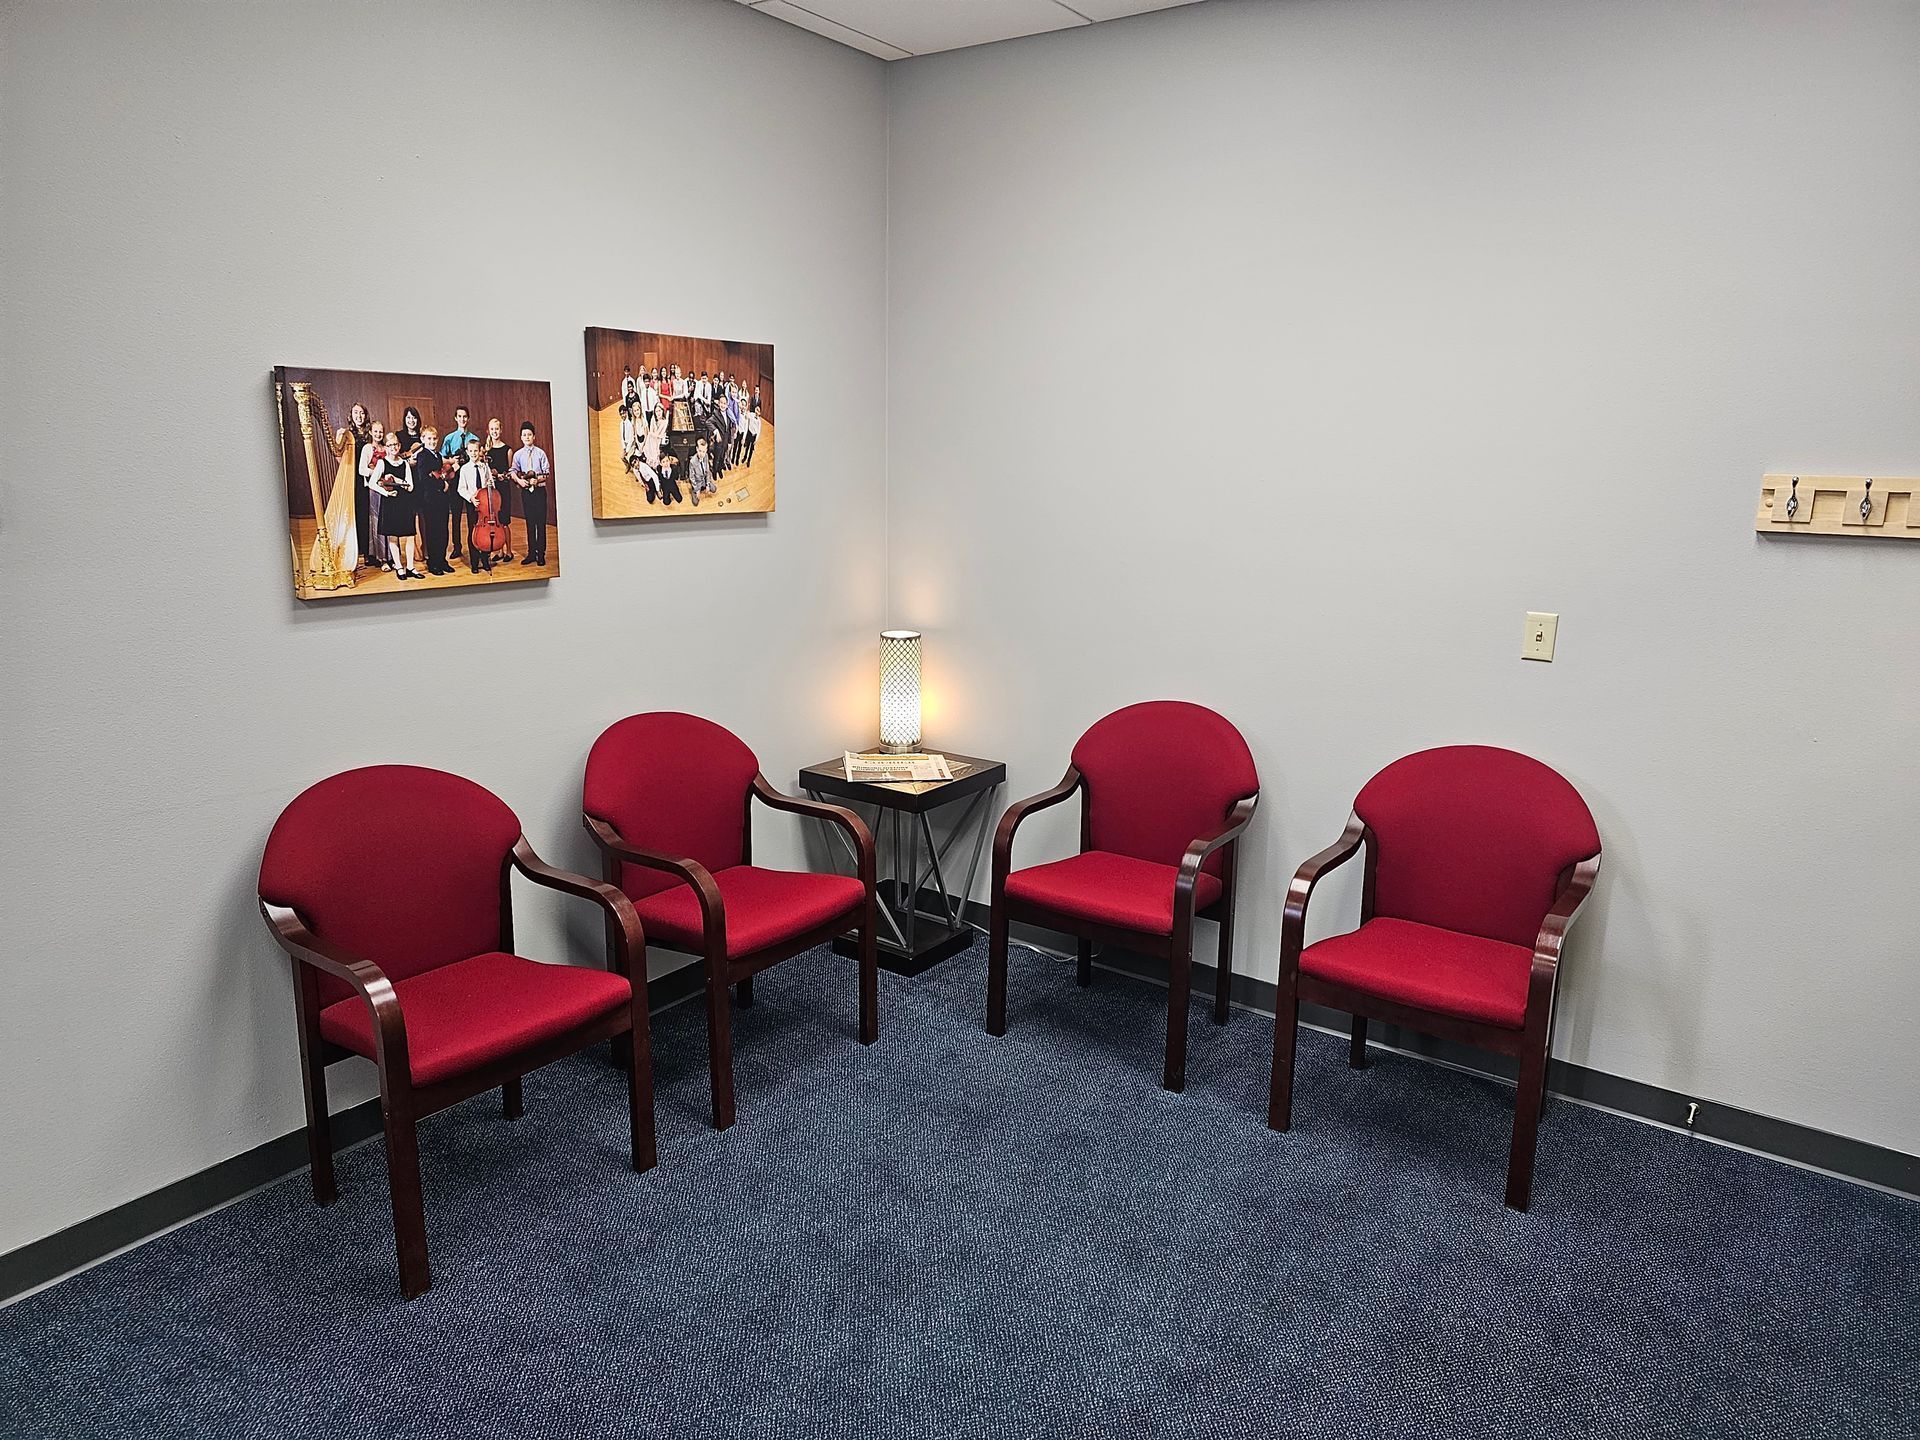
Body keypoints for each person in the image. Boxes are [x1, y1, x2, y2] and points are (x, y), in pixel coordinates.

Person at [368, 432, 421, 579]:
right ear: (386, 447)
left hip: (405, 502)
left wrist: (398, 481)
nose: (394, 447)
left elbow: (410, 486)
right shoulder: (382, 463)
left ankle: (410, 567)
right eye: (390, 445)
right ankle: (399, 567)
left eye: (396, 444)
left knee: (410, 536)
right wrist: (385, 493)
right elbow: (372, 483)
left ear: (399, 445)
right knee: (393, 537)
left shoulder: (404, 463)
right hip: (390, 502)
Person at [456, 434, 501, 573]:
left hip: (486, 505)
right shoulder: (464, 469)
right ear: (467, 452)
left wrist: (490, 483)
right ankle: (474, 563)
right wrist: (471, 498)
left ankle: (485, 560)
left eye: (476, 450)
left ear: (479, 451)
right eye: (471, 451)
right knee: (474, 532)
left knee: (486, 532)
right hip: (473, 504)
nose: (474, 453)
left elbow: (492, 485)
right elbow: (461, 488)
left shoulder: (484, 467)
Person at [439, 405, 478, 563]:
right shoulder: (449, 438)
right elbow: (442, 458)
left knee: (472, 515)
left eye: (465, 416)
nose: (462, 419)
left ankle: (474, 545)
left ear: (468, 418)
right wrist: (452, 461)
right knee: (455, 515)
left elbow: (478, 457)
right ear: (455, 418)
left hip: (470, 480)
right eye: (459, 416)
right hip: (455, 479)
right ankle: (457, 546)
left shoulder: (474, 438)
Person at [412, 425, 453, 575]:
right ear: (423, 439)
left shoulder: (438, 455)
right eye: (429, 438)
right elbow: (424, 479)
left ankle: (442, 560)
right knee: (433, 531)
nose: (432, 441)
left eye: (434, 438)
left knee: (443, 530)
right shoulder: (423, 455)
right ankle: (433, 563)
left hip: (441, 499)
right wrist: (442, 484)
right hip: (429, 500)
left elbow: (439, 473)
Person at [510, 420, 551, 565]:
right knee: (530, 522)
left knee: (540, 523)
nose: (527, 437)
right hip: (527, 492)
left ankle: (541, 554)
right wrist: (519, 481)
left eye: (529, 434)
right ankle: (531, 553)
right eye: (524, 435)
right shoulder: (518, 455)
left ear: (534, 436)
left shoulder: (540, 453)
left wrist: (538, 480)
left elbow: (547, 472)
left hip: (539, 491)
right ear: (521, 437)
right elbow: (513, 471)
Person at [359, 420, 390, 569]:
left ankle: (389, 555)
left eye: (381, 431)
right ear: (371, 432)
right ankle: (379, 555)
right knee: (376, 520)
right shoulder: (367, 448)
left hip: (387, 488)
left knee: (388, 520)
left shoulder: (386, 448)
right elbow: (362, 470)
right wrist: (377, 473)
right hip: (374, 489)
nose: (378, 434)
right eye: (376, 431)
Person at [484, 417, 514, 562]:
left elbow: (510, 472)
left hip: (503, 489)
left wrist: (502, 475)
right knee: (495, 521)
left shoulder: (508, 450)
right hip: (492, 490)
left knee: (504, 521)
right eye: (492, 429)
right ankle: (499, 551)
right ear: (488, 431)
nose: (494, 431)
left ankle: (508, 551)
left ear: (500, 430)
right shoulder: (486, 451)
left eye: (496, 429)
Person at [688, 435, 716, 507]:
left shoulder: (706, 456)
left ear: (706, 450)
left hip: (704, 479)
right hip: (697, 482)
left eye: (703, 451)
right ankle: (694, 491)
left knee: (714, 489)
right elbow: (691, 477)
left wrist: (707, 484)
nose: (701, 453)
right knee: (695, 503)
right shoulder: (692, 461)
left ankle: (705, 486)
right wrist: (696, 489)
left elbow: (707, 471)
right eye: (700, 451)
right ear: (697, 449)